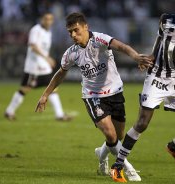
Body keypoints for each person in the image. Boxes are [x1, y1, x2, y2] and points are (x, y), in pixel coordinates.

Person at [35, 12, 153, 181]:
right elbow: (61, 73)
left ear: (85, 27)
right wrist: (45, 94)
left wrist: (135, 56)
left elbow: (121, 47)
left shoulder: (100, 39)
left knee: (117, 137)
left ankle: (102, 154)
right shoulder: (71, 53)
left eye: (76, 30)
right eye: (70, 32)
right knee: (111, 135)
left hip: (115, 91)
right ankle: (127, 168)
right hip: (92, 96)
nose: (73, 35)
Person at [111, 0, 175, 182]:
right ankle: (117, 166)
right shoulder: (166, 19)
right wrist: (151, 56)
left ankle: (173, 147)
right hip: (157, 76)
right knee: (142, 123)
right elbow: (159, 38)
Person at [5, 13, 72, 121]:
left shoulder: (48, 32)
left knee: (53, 87)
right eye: (46, 19)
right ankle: (9, 111)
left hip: (44, 67)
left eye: (50, 19)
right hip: (34, 67)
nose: (48, 21)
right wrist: (47, 58)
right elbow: (33, 46)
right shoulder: (36, 30)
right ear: (41, 19)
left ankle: (59, 115)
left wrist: (47, 59)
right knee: (25, 89)